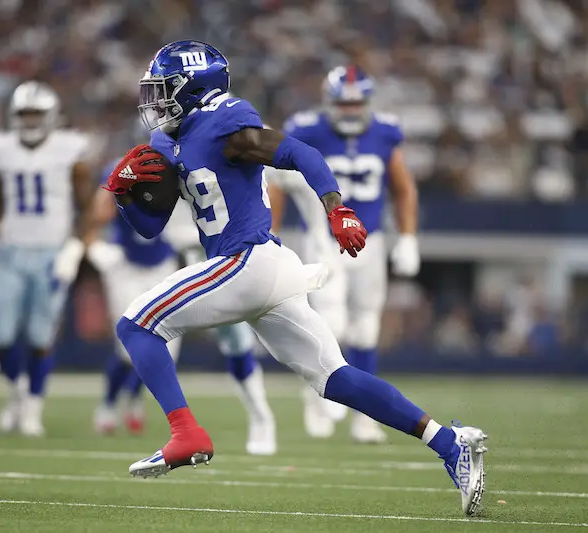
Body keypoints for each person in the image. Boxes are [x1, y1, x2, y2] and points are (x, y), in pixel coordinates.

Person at [102, 41, 487, 516]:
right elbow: (150, 227)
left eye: (165, 91)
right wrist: (126, 196)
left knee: (135, 324)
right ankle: (450, 444)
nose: (155, 102)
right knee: (336, 378)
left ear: (195, 89)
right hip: (264, 271)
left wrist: (336, 209)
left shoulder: (225, 122)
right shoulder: (166, 142)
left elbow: (299, 153)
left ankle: (186, 433)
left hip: (246, 261)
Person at [268, 65, 420, 443]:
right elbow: (278, 180)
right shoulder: (306, 130)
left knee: (366, 330)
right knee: (331, 324)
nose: (351, 111)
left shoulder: (385, 131)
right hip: (324, 240)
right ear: (329, 102)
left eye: (357, 103)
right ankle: (315, 396)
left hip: (371, 241)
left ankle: (364, 418)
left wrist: (408, 237)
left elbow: (402, 187)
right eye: (343, 103)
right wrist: (269, 232)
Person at [85, 157, 276, 455]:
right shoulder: (151, 165)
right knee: (138, 337)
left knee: (239, 341)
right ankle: (123, 407)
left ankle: (260, 416)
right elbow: (105, 208)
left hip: (223, 258)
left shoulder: (223, 155)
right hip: (167, 262)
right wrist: (89, 240)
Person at [0, 81, 92, 436]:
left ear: (51, 116)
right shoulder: (0, 150)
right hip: (11, 250)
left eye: (35, 114)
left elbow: (87, 207)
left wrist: (74, 250)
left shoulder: (70, 151)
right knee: (1, 335)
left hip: (51, 252)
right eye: (24, 114)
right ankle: (18, 392)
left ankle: (32, 409)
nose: (29, 120)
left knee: (42, 336)